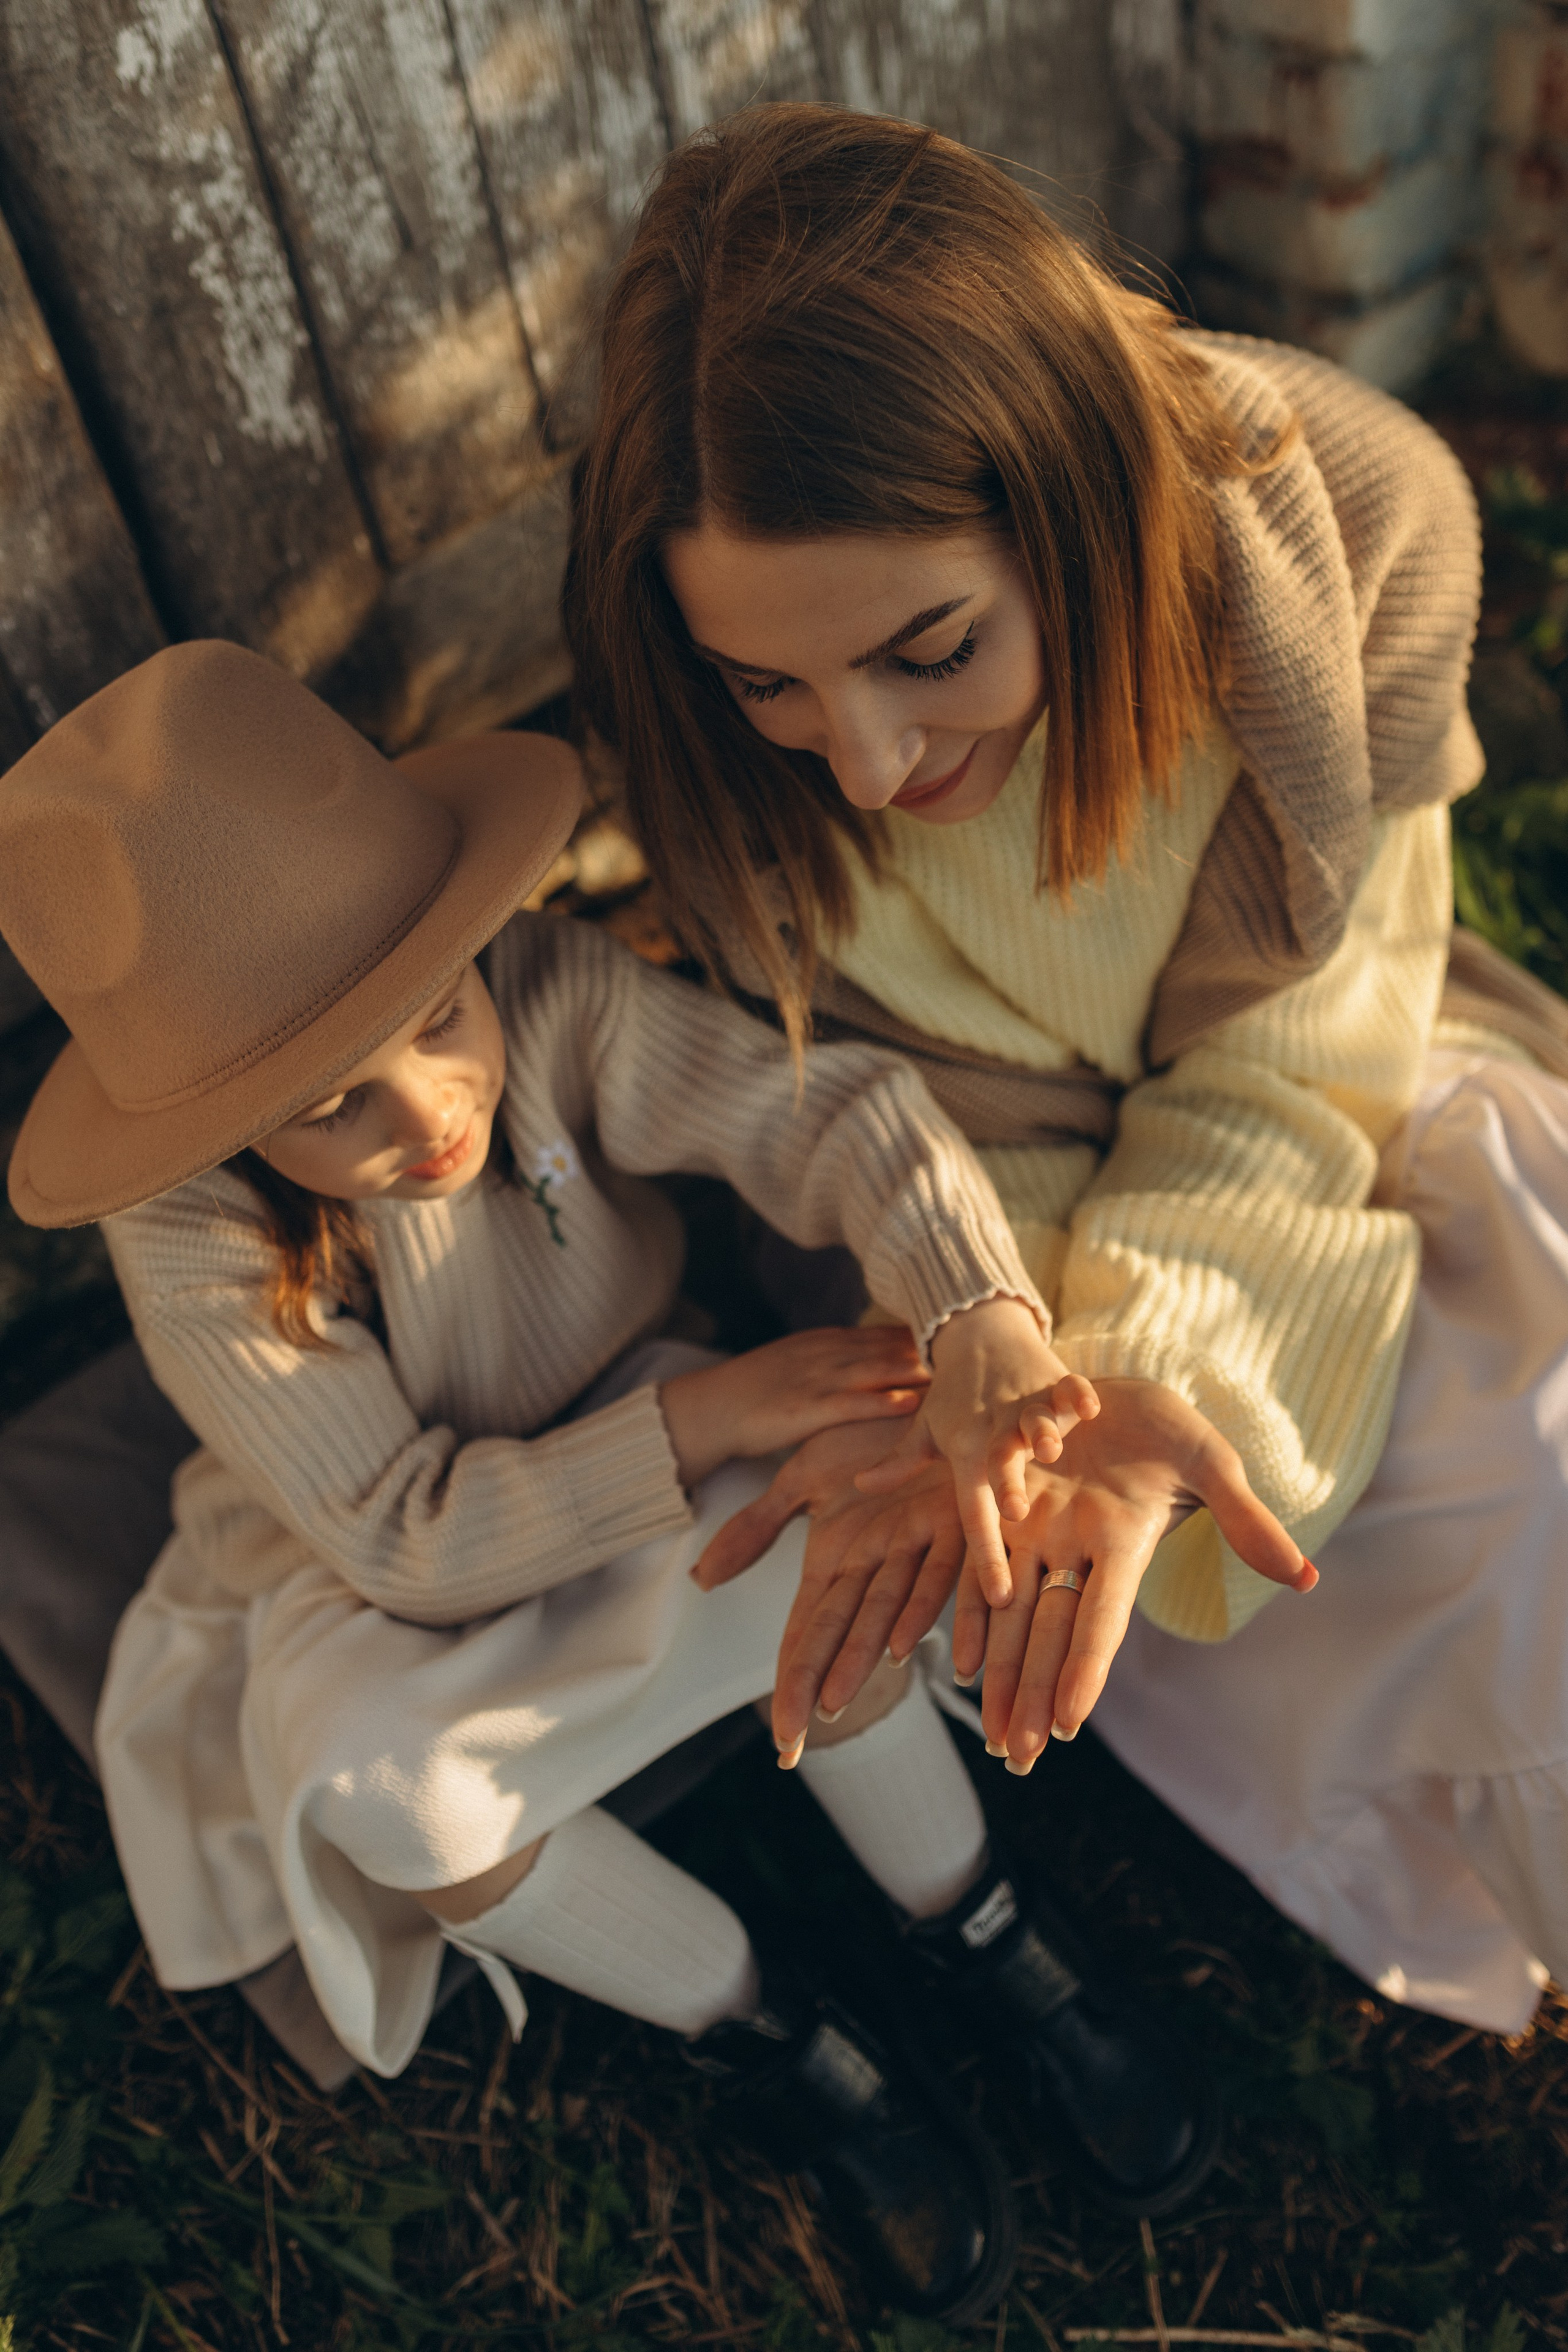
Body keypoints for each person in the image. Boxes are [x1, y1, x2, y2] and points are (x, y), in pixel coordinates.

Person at [0, 644, 1307, 2312]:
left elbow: (830, 1114)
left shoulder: (548, 991)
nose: (436, 1107)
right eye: (339, 1107)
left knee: (822, 1559)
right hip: (371, 1558)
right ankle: (763, 2025)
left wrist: (972, 1298)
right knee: (403, 1808)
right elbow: (401, 1529)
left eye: (440, 1020)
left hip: (637, 1398)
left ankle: (975, 1915)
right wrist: (705, 1420)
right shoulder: (188, 1236)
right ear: (224, 1128)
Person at [562, 101, 1568, 2041]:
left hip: (1337, 1090)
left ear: (1081, 510)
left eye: (928, 648)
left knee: (1519, 1432)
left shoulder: (1350, 527)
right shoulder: (714, 753)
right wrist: (1029, 1366)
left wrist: (1168, 1359)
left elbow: (1317, 1038)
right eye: (770, 684)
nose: (855, 762)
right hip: (973, 1245)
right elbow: (898, 1129)